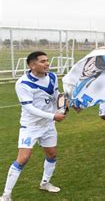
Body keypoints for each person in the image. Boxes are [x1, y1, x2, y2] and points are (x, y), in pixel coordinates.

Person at [1, 51, 66, 201]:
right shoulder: (23, 83)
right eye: (43, 61)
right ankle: (6, 195)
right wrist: (53, 115)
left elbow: (56, 95)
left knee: (52, 154)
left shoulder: (52, 77)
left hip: (48, 125)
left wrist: (62, 106)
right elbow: (29, 108)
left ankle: (45, 183)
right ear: (32, 65)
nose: (47, 64)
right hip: (30, 126)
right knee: (23, 159)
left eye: (47, 60)